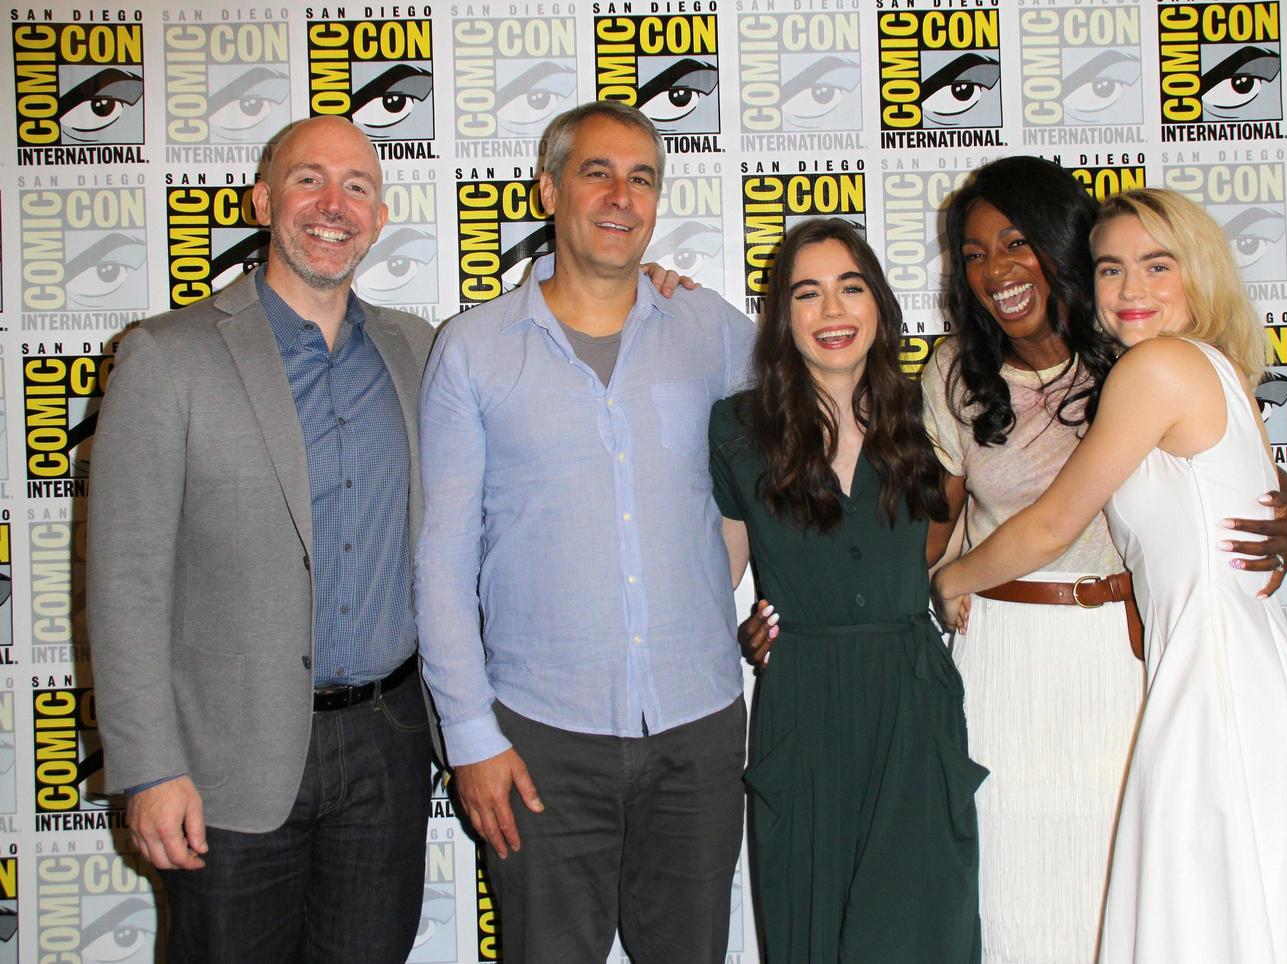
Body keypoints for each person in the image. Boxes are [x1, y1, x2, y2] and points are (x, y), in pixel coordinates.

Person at [933, 188, 1287, 962]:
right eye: (1112, 270)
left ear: (1199, 271)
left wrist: (952, 580)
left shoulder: (1156, 369)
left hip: (1216, 686)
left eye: (1157, 265)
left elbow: (1054, 523)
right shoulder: (1215, 368)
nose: (1130, 289)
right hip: (1234, 677)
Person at [88, 115, 439, 962]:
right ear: (263, 198)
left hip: (388, 746)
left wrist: (646, 284)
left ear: (380, 216)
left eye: (358, 186)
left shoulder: (419, 351)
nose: (333, 204)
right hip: (223, 761)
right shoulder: (167, 358)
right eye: (309, 179)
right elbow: (126, 578)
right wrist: (146, 766)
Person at [413, 101, 754, 963]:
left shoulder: (711, 329)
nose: (621, 195)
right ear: (549, 189)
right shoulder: (474, 350)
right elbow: (443, 565)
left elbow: (818, 434)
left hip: (698, 728)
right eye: (597, 172)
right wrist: (471, 737)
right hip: (538, 741)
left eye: (642, 178)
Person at [712, 218, 985, 963]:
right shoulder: (738, 430)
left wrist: (954, 583)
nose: (832, 312)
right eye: (808, 294)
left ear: (879, 306)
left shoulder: (928, 413)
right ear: (781, 317)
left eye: (850, 288)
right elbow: (718, 578)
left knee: (922, 928)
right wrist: (739, 629)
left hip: (911, 700)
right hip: (803, 705)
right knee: (812, 931)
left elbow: (973, 523)